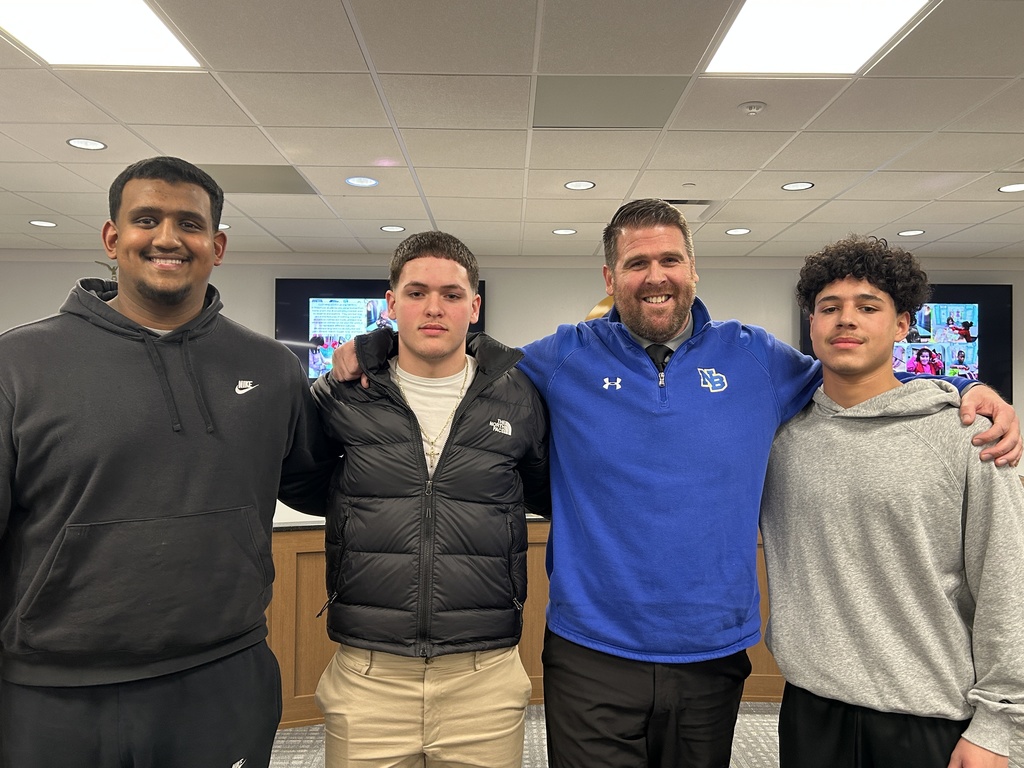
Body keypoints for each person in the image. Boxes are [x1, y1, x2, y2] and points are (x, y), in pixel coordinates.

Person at [330, 200, 1021, 768]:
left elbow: (861, 379)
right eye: (637, 262)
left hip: (712, 654)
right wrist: (375, 346)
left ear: (692, 268)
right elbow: (457, 351)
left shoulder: (758, 359)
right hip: (590, 651)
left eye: (669, 259)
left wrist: (965, 392)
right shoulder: (563, 355)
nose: (654, 275)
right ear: (612, 274)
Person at [0, 157, 337, 768]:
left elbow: (321, 482)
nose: (167, 238)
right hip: (53, 689)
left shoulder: (270, 368)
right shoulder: (18, 365)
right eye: (146, 220)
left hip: (222, 676)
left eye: (189, 223)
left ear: (217, 244)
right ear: (112, 237)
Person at [760, 235, 1024, 767]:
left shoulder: (967, 435)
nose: (845, 320)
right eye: (829, 308)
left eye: (867, 307)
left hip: (928, 719)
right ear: (810, 324)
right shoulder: (776, 439)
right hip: (810, 711)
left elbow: (1008, 578)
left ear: (903, 324)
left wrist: (1002, 722)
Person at [310, 231, 549, 768]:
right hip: (369, 676)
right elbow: (305, 483)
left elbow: (546, 492)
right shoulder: (341, 395)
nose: (434, 308)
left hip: (482, 676)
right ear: (391, 302)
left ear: (475, 305)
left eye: (451, 294)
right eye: (416, 293)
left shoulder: (520, 396)